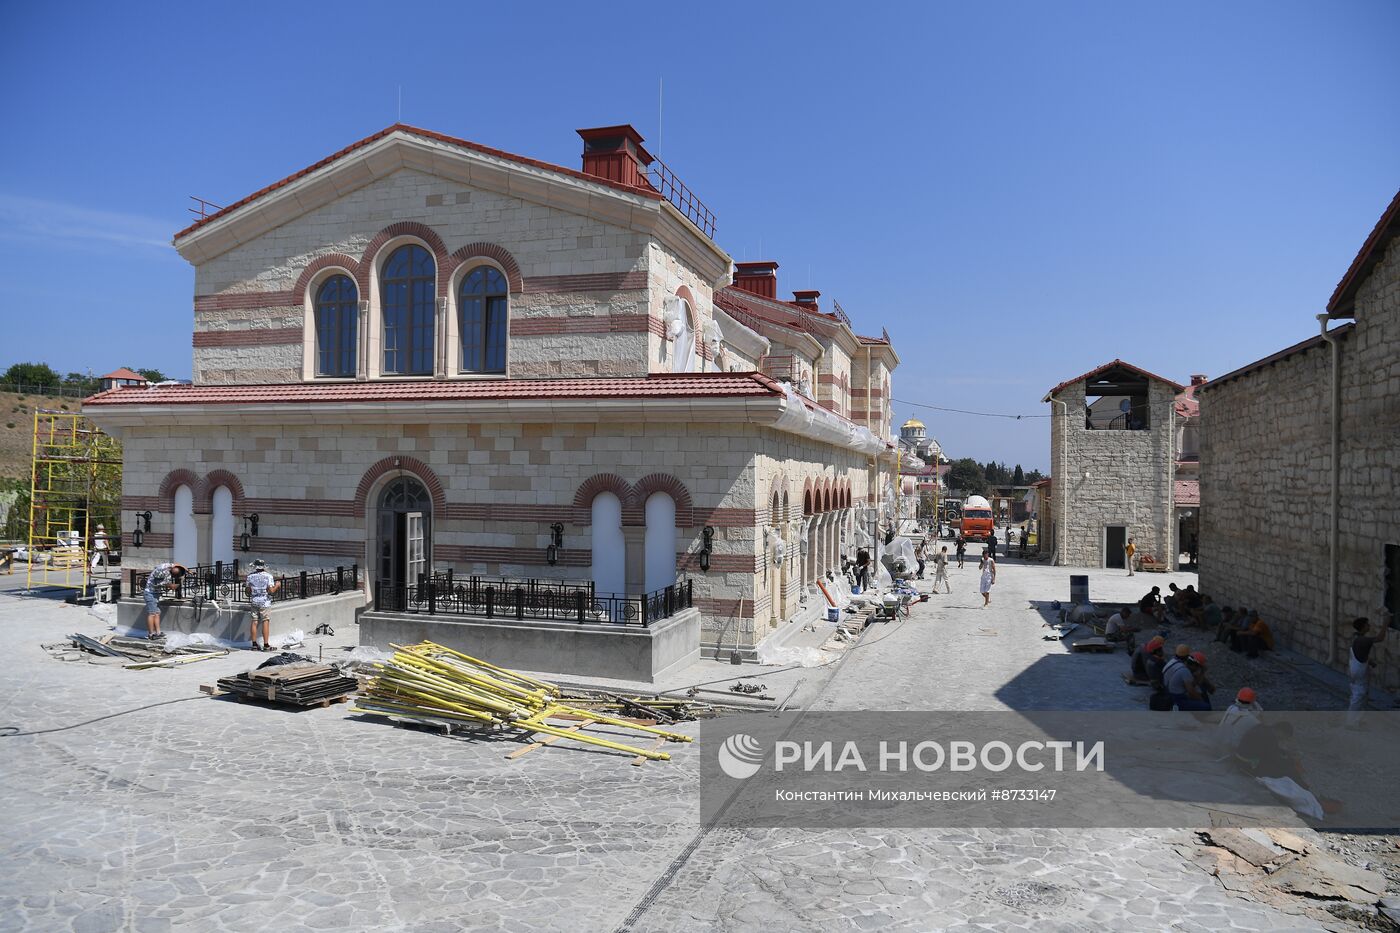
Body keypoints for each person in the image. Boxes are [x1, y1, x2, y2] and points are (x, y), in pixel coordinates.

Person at [1348, 616, 1386, 726]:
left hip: (1356, 669)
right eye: (1367, 624)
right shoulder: (1362, 640)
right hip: (1358, 671)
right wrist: (1385, 623)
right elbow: (1380, 638)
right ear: (1363, 627)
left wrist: (1370, 661)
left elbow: (1361, 653)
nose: (1369, 626)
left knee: (1361, 695)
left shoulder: (1357, 638)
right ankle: (1350, 723)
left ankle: (1357, 720)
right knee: (1358, 696)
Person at [142, 562, 187, 640]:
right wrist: (172, 586)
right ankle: (151, 634)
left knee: (157, 613)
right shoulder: (160, 572)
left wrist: (187, 570)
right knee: (152, 613)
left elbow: (177, 564)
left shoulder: (170, 566)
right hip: (150, 593)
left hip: (156, 593)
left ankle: (158, 633)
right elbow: (164, 584)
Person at [246, 559, 281, 651]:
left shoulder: (250, 576)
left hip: (254, 601)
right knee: (265, 621)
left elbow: (248, 592)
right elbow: (271, 591)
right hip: (265, 602)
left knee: (254, 621)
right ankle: (266, 645)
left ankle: (254, 645)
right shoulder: (268, 576)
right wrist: (277, 585)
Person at [1163, 644, 1210, 711]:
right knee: (1206, 706)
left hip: (1168, 693)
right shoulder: (1184, 670)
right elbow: (1191, 691)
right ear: (1187, 656)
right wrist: (1201, 701)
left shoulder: (1172, 662)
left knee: (1200, 693)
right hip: (1176, 700)